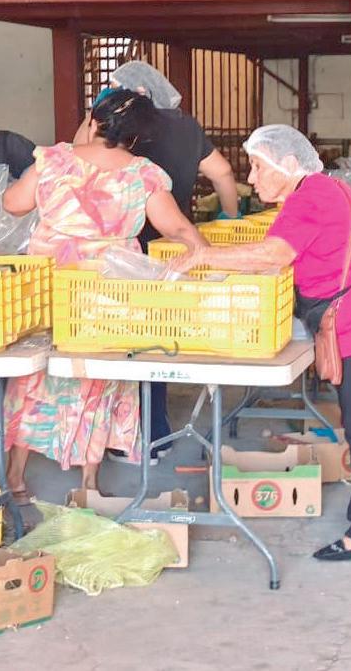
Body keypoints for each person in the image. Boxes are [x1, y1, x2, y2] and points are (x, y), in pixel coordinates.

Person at [172, 124, 351, 562]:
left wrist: (204, 255)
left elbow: (275, 254)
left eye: (258, 167)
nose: (251, 178)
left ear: (289, 164)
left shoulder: (310, 198)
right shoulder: (327, 189)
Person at [1, 90, 208, 500]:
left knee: (35, 377)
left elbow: (13, 203)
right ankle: (89, 484)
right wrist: (208, 257)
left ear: (93, 121)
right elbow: (177, 228)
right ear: (136, 137)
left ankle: (16, 476)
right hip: (108, 296)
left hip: (51, 290)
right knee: (98, 379)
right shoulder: (142, 174)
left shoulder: (55, 160)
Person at [104, 61, 240, 463]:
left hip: (131, 252)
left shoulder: (126, 130)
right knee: (160, 339)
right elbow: (223, 173)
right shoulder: (187, 127)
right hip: (178, 248)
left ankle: (135, 439)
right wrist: (229, 219)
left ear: (136, 94)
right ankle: (158, 434)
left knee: (128, 345)